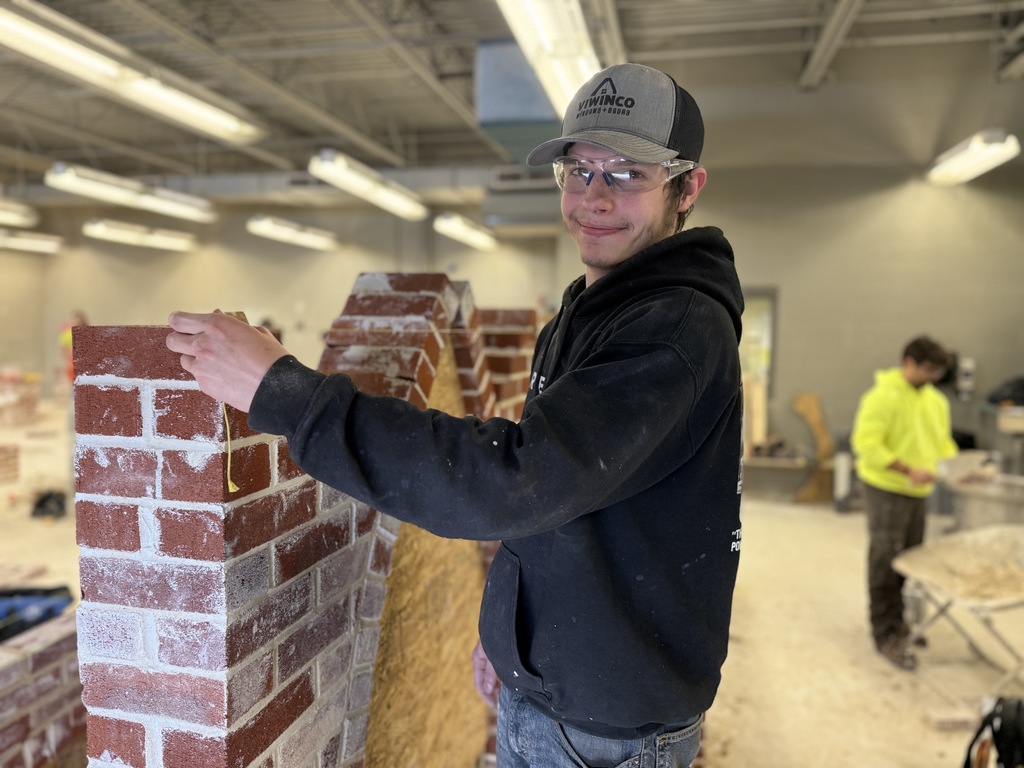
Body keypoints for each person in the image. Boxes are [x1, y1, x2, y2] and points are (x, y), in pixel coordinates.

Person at [166, 62, 744, 768]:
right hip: (552, 698)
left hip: (606, 738)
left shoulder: (674, 329)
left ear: (689, 187)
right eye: (579, 170)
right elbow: (559, 498)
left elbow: (509, 482)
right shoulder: (593, 309)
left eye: (628, 174)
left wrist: (281, 391)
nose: (594, 197)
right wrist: (511, 637)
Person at [851, 336, 959, 671]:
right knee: (885, 559)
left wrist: (961, 468)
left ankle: (898, 622)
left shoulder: (936, 402)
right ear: (908, 362)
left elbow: (942, 445)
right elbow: (866, 444)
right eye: (928, 369)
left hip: (918, 493)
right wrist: (906, 468)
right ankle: (885, 633)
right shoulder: (881, 397)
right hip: (886, 488)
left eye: (938, 372)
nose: (933, 377)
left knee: (909, 560)